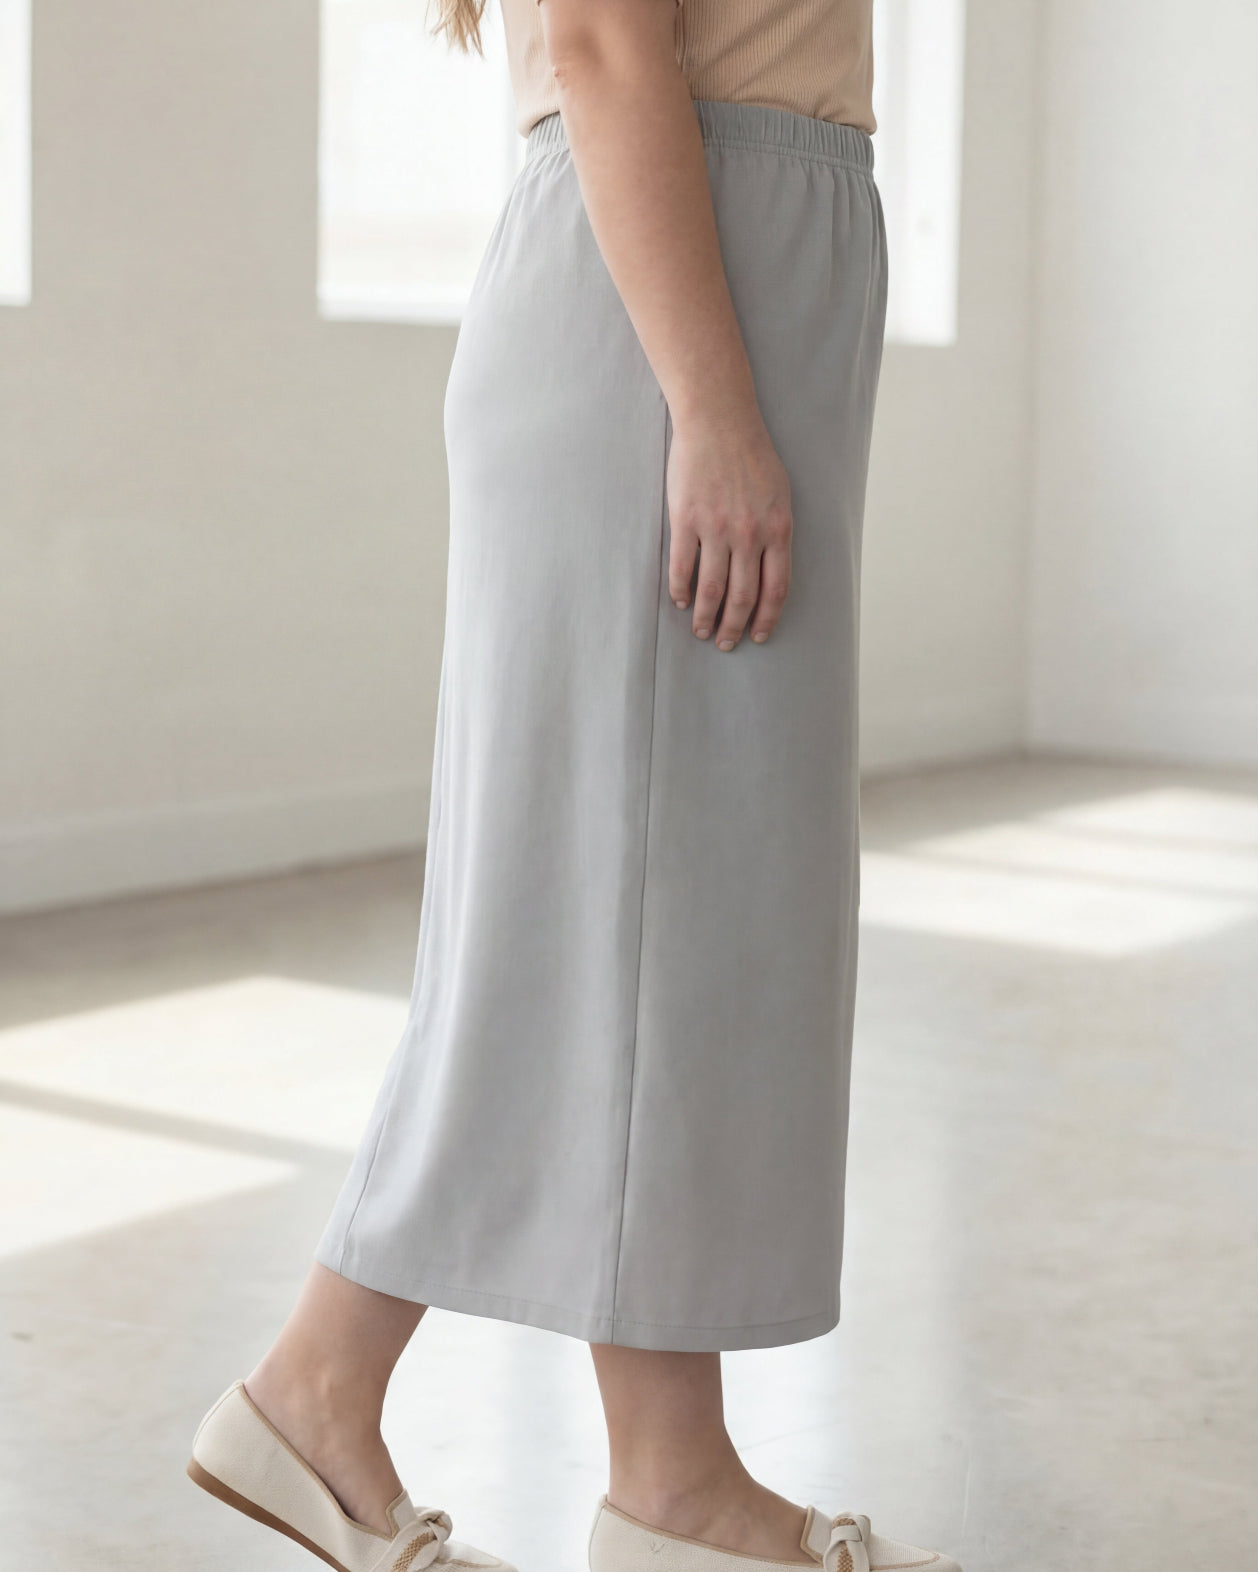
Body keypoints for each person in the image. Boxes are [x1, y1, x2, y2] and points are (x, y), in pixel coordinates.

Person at [187, 1, 962, 1570]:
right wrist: (714, 413)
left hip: (731, 291)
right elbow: (605, 42)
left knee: (683, 937)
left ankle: (663, 1473)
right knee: (594, 923)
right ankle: (322, 1388)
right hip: (672, 329)